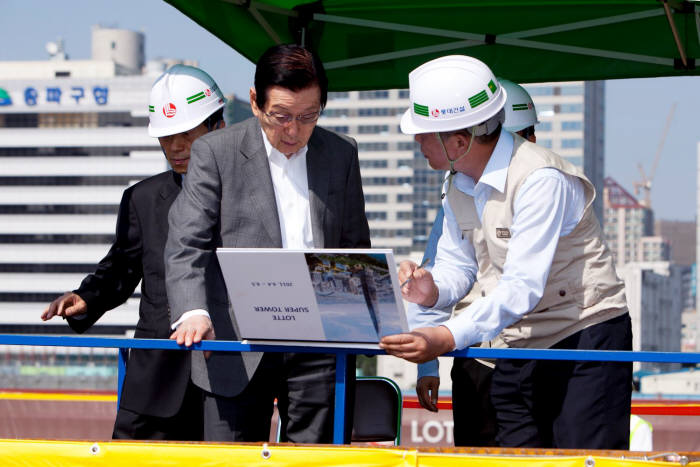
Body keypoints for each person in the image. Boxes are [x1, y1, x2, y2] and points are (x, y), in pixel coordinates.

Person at [380, 55, 632, 449]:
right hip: (515, 339)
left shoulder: (540, 179)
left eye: (424, 133)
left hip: (583, 336)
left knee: (584, 457)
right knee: (509, 456)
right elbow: (458, 267)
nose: (417, 141)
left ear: (459, 141)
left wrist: (444, 336)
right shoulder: (458, 182)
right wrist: (429, 289)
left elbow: (521, 286)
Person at [164, 44, 370, 443]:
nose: (293, 131)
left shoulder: (341, 153)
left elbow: (353, 244)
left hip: (318, 343)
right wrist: (192, 311)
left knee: (313, 459)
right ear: (256, 102)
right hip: (235, 341)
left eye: (308, 116)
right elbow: (187, 243)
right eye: (281, 116)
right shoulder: (215, 152)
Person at [40, 65, 226, 440]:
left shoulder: (252, 200)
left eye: (186, 135)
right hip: (153, 379)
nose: (175, 147)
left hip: (226, 380)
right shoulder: (141, 198)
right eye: (166, 138)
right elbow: (122, 267)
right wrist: (86, 297)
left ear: (218, 129)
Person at [414, 79, 540, 447]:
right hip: (480, 357)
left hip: (541, 355)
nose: (521, 146)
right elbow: (439, 275)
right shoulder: (459, 191)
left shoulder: (544, 184)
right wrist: (428, 363)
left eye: (527, 135)